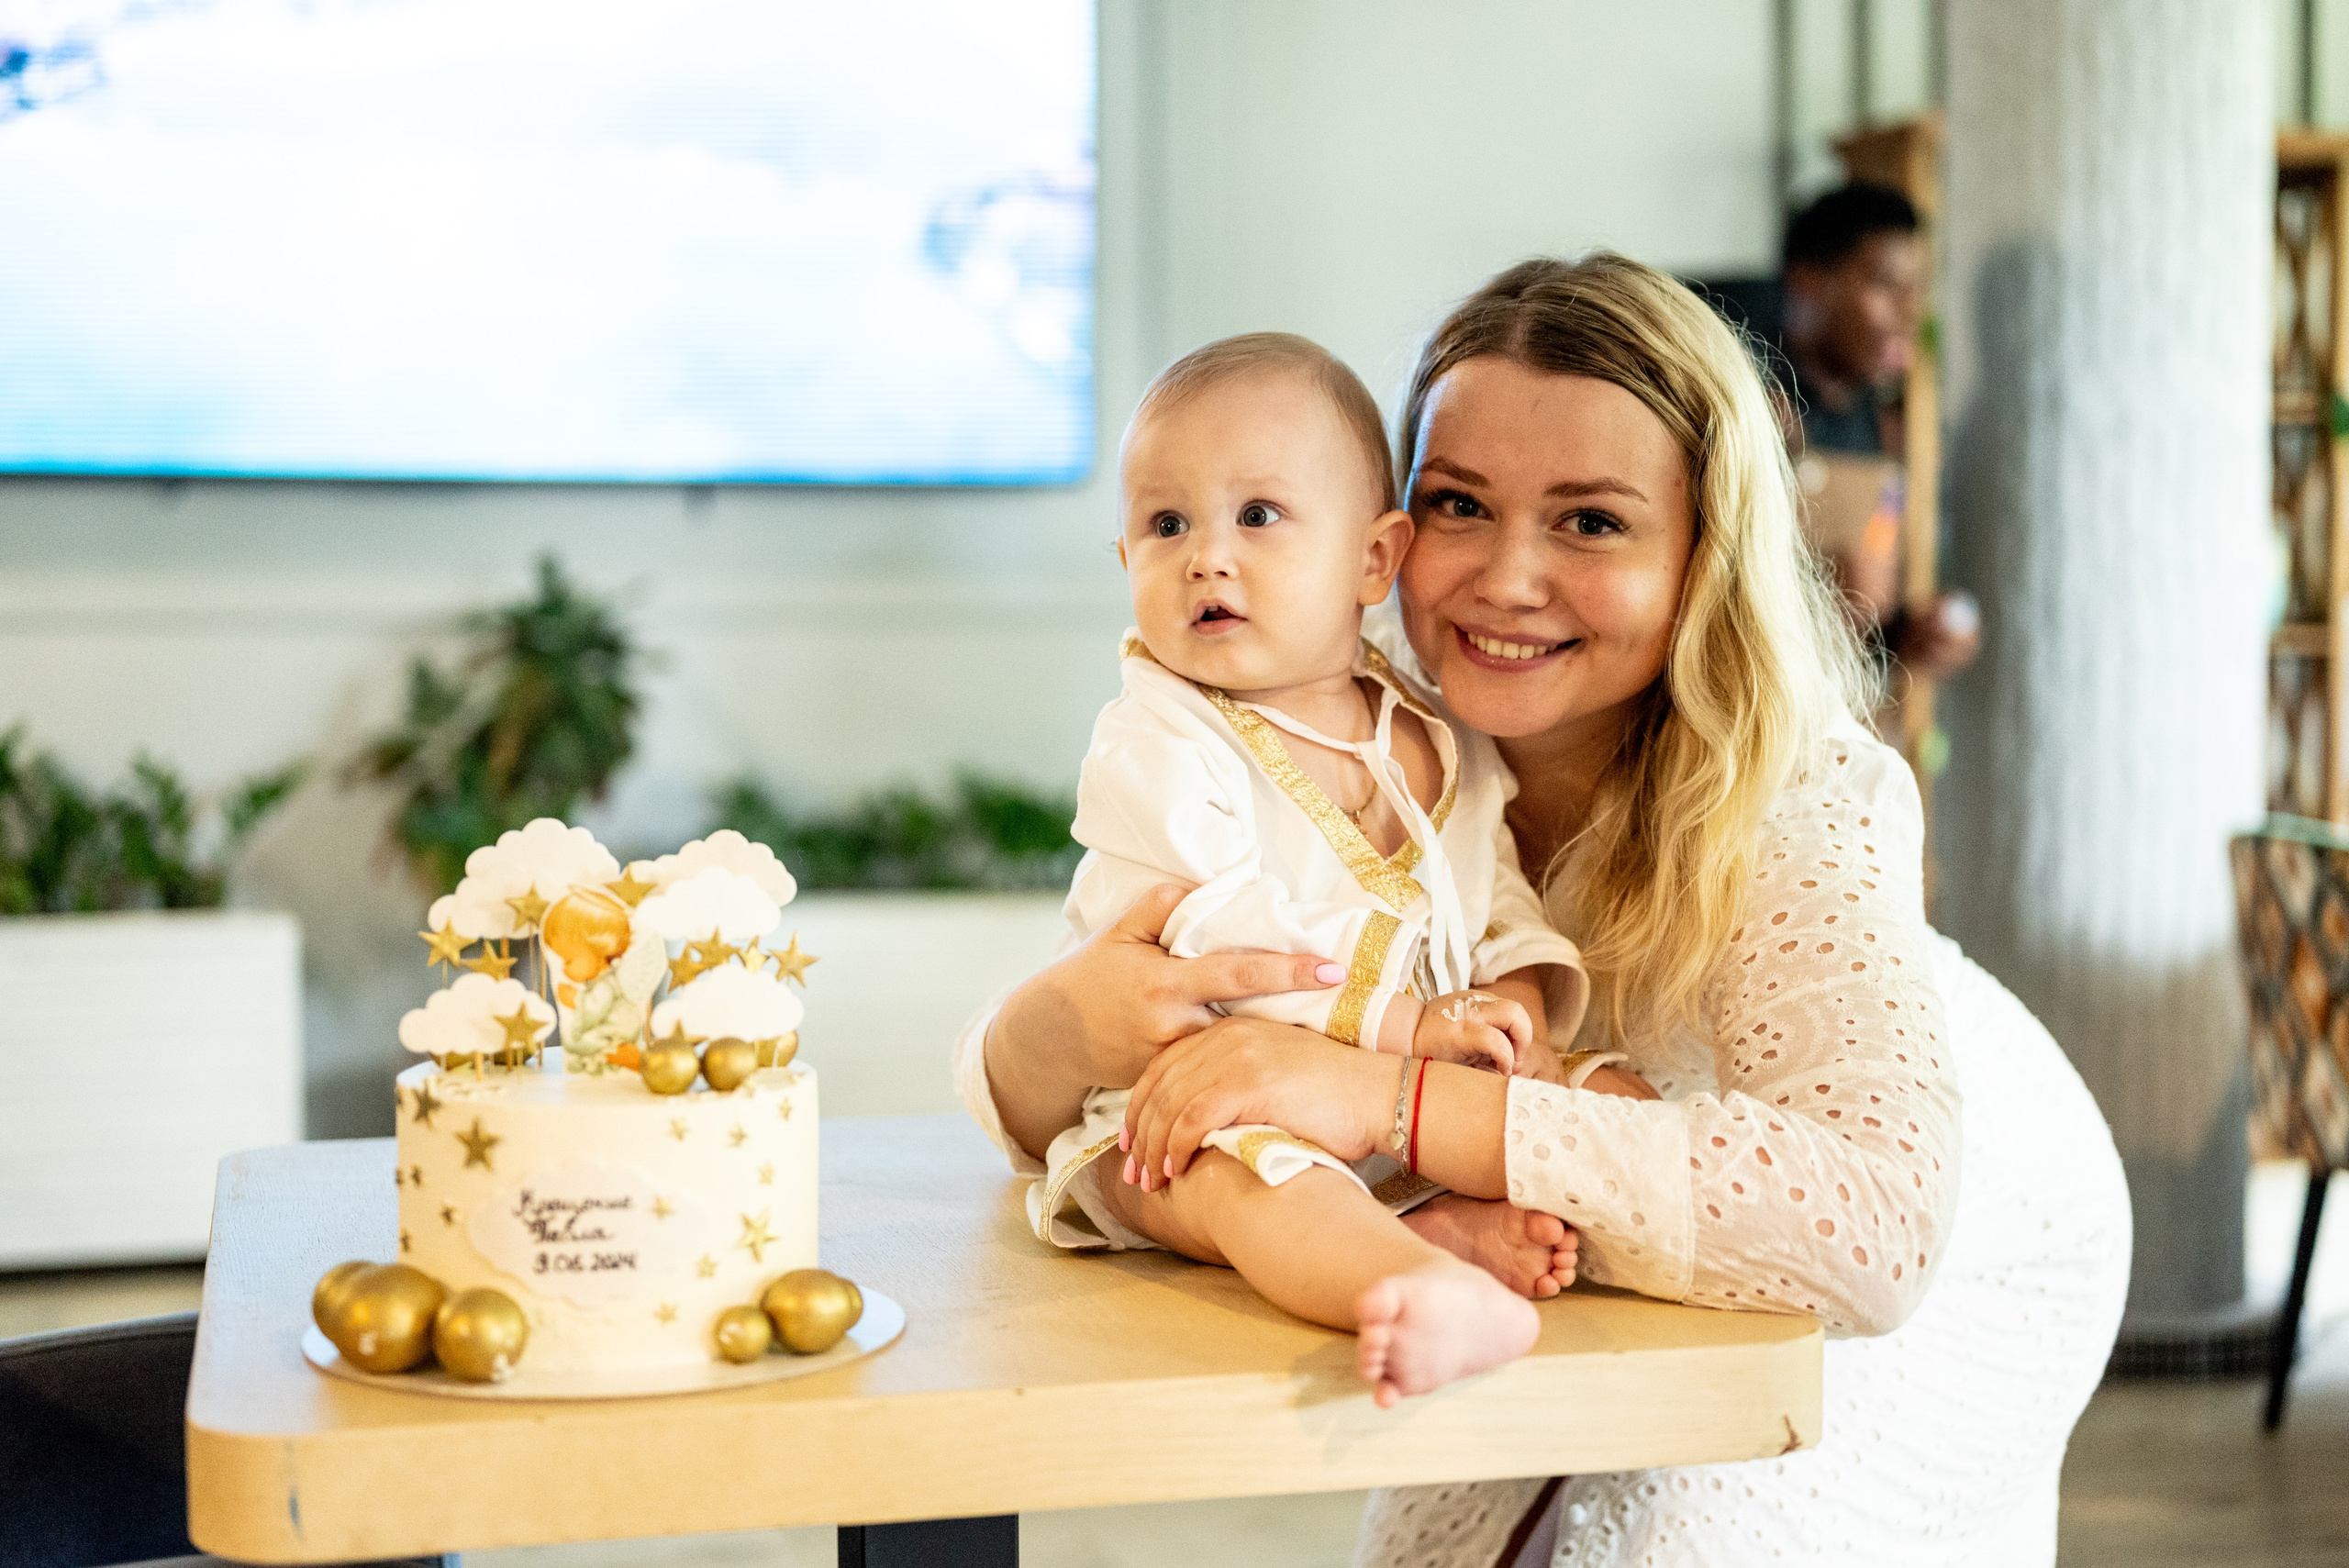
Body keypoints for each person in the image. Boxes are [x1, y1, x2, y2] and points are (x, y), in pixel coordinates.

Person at [955, 253, 2129, 1565]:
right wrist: (1053, 1028)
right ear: (1387, 538)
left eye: (1591, 521)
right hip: (1574, 1201)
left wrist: (1385, 1102)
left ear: (1704, 553)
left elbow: (1873, 1230)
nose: (1506, 580)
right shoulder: (1363, 727)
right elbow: (1101, 1077)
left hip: (1961, 1227)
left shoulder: (1810, 794)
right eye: (1460, 503)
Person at [1040, 331, 1652, 1407]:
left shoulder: (1429, 728)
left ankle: (1439, 1217)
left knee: (1612, 1095)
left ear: (1375, 559)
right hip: (1186, 1104)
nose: (1206, 556)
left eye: (1257, 516)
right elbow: (1221, 938)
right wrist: (1411, 1030)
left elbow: (1491, 884)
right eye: (1164, 523)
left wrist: (1511, 1000)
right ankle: (1414, 1276)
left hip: (1395, 1093)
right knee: (1249, 1178)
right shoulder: (1160, 737)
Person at [1776, 182, 1980, 683]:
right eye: (1887, 286)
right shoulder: (1750, 409)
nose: (1910, 313)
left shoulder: (1897, 432)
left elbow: (1875, 627)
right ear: (1807, 281)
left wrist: (1912, 633)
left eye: (1918, 290)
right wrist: (1819, 603)